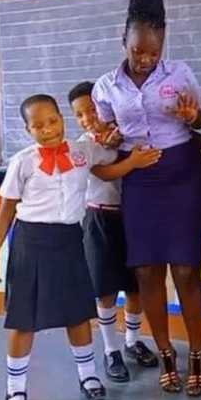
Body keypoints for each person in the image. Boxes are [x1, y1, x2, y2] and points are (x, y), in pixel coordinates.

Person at [0, 94, 160, 400]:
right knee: (24, 319)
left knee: (77, 314)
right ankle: (16, 389)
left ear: (61, 119)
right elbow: (6, 210)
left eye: (52, 121)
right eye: (38, 125)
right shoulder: (22, 162)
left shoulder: (82, 151)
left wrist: (133, 162)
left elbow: (107, 166)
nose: (47, 130)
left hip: (70, 238)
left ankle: (88, 375)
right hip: (32, 241)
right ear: (28, 129)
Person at [91, 0, 201, 396]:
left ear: (164, 43)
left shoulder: (179, 73)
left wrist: (193, 115)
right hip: (140, 179)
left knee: (185, 270)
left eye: (152, 52)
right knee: (146, 271)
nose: (145, 59)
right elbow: (105, 138)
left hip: (183, 176)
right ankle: (165, 354)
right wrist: (107, 135)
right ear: (122, 40)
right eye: (138, 50)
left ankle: (196, 352)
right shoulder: (106, 87)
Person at [67, 81, 154, 381]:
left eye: (92, 109)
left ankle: (132, 341)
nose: (88, 118)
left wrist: (124, 146)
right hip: (98, 220)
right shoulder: (83, 145)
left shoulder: (128, 135)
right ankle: (110, 350)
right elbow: (105, 171)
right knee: (104, 290)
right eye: (79, 114)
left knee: (135, 286)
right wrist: (118, 153)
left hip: (133, 219)